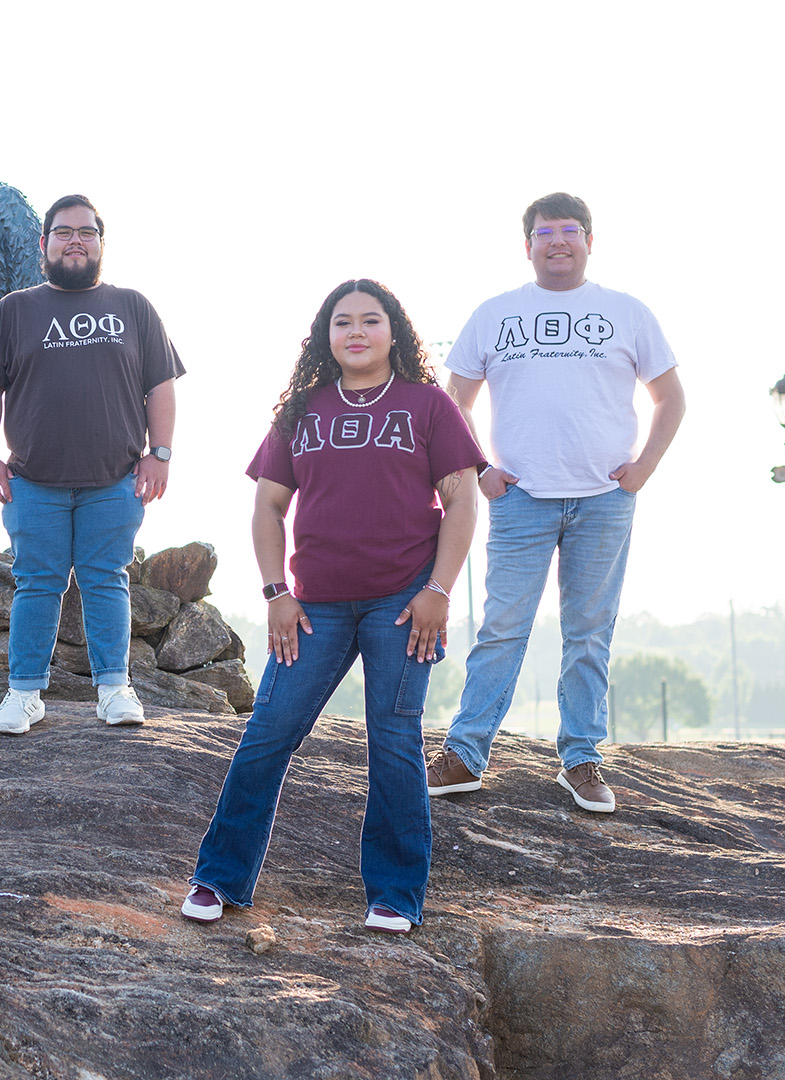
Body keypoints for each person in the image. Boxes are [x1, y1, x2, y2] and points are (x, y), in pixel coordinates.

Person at [183, 279, 483, 934]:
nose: (356, 331)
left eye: (370, 320)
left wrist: (438, 591)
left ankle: (395, 896)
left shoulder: (427, 406)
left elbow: (462, 500)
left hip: (403, 602)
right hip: (313, 605)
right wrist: (276, 594)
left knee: (394, 738)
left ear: (393, 333)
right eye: (341, 320)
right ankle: (220, 879)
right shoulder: (302, 410)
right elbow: (267, 506)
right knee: (269, 731)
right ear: (325, 336)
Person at [426, 193, 685, 814]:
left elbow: (671, 398)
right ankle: (466, 753)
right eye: (546, 232)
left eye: (571, 231)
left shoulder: (627, 313)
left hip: (603, 499)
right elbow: (451, 401)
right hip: (523, 500)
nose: (559, 241)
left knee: (589, 634)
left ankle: (581, 758)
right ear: (528, 246)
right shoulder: (496, 314)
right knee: (501, 629)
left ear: (590, 241)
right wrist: (481, 468)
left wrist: (643, 468)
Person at [0, 194, 184, 735]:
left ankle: (114, 690)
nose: (75, 240)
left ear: (101, 243)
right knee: (37, 583)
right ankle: (24, 695)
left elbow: (161, 386)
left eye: (86, 232)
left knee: (107, 580)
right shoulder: (14, 310)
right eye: (64, 232)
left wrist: (160, 454)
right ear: (44, 245)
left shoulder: (133, 307)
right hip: (33, 481)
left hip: (116, 479)